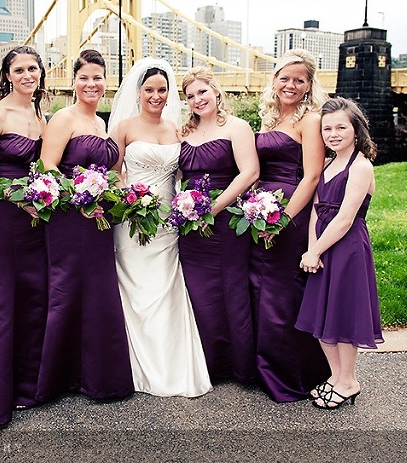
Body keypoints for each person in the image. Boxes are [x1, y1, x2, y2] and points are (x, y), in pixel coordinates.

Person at [108, 58, 212, 398]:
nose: (156, 95)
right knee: (135, 290)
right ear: (138, 92)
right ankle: (133, 366)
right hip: (130, 220)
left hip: (167, 223)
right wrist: (130, 198)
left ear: (169, 95)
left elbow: (182, 173)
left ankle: (170, 366)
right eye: (149, 89)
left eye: (162, 90)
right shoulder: (123, 126)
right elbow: (111, 172)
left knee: (166, 290)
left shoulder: (176, 130)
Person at [34, 49, 134, 403]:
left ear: (107, 82)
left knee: (97, 295)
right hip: (70, 219)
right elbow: (47, 169)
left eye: (97, 77)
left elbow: (107, 173)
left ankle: (96, 376)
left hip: (99, 223)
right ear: (73, 81)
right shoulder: (64, 118)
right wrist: (82, 199)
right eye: (84, 77)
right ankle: (57, 380)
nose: (91, 84)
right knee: (66, 291)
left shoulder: (101, 123)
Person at [0, 45, 49, 426]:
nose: (27, 75)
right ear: (7, 75)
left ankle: (28, 387)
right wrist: (20, 199)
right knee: (0, 305)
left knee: (33, 300)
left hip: (35, 224)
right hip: (2, 221)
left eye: (33, 68)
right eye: (19, 69)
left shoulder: (39, 114)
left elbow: (44, 167)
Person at [248, 49, 331, 402]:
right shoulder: (268, 118)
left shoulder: (310, 120)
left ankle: (294, 373)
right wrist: (251, 206)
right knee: (258, 289)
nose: (291, 85)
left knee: (282, 293)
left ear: (310, 85)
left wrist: (283, 219)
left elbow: (312, 175)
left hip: (288, 214)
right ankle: (263, 367)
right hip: (257, 214)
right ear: (274, 80)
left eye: (299, 80)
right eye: (285, 78)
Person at [295, 96, 384, 409]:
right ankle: (336, 376)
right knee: (323, 314)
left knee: (343, 316)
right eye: (327, 128)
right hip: (321, 247)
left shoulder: (360, 167)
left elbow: (345, 218)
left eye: (340, 127)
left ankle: (349, 381)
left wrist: (316, 250)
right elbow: (317, 211)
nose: (333, 133)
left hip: (346, 249)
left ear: (355, 130)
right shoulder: (328, 164)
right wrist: (311, 248)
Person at [178, 66, 260, 383]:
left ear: (216, 91)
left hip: (225, 223)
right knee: (199, 293)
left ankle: (239, 366)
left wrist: (212, 207)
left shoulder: (237, 128)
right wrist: (185, 208)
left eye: (202, 92)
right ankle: (209, 365)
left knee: (232, 290)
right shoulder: (183, 133)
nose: (198, 100)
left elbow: (249, 173)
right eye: (190, 96)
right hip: (190, 225)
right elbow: (180, 176)